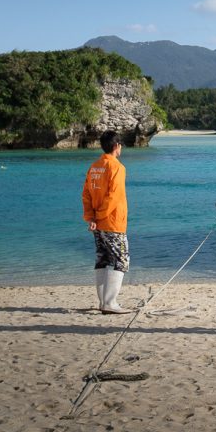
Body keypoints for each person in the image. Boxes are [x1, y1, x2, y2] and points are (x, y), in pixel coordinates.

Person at [81, 130, 134, 314]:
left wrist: (91, 217)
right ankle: (110, 303)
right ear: (116, 146)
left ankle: (103, 302)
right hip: (112, 223)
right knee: (121, 260)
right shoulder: (117, 167)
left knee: (102, 259)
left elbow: (86, 194)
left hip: (98, 222)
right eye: (120, 145)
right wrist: (99, 216)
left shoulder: (95, 166)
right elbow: (114, 197)